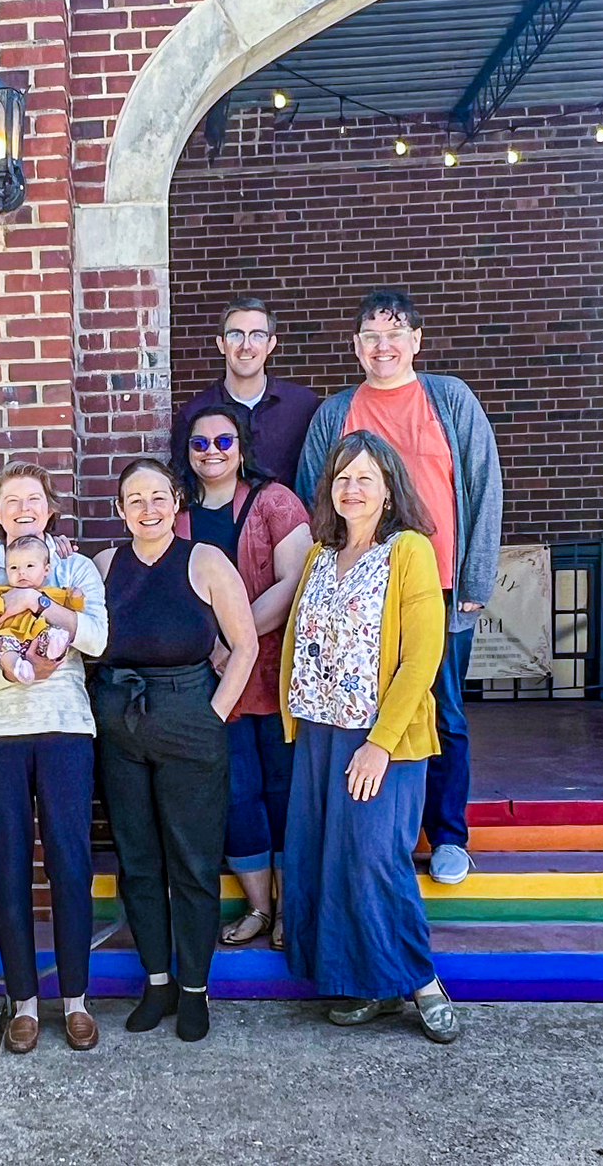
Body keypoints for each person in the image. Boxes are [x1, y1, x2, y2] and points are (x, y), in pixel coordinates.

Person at [295, 289, 503, 886]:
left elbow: (485, 486)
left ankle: (448, 836)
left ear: (415, 341)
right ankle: (379, 831)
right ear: (356, 347)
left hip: (437, 585)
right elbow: (314, 497)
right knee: (361, 713)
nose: (382, 346)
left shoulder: (449, 400)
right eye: (370, 336)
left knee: (443, 711)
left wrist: (477, 575)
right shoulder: (336, 414)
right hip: (356, 589)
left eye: (395, 334)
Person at [281, 429, 459, 1044]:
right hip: (318, 731)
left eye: (365, 478)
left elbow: (421, 657)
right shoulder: (318, 555)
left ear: (388, 490)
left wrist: (380, 743)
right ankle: (369, 985)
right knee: (327, 860)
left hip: (380, 737)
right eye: (342, 478)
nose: (351, 488)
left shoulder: (409, 550)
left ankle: (422, 980)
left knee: (375, 858)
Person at [91, 459, 258, 1043]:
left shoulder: (205, 561)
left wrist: (212, 715)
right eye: (134, 500)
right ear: (119, 510)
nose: (147, 509)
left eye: (158, 496)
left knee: (191, 860)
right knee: (138, 860)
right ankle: (156, 980)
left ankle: (193, 988)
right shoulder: (105, 566)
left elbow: (244, 646)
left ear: (176, 501)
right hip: (121, 723)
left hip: (190, 715)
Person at [0, 461, 108, 1055]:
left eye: (33, 499)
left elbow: (96, 639)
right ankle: (23, 1004)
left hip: (65, 731)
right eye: (10, 500)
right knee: (9, 865)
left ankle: (76, 1001)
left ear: (49, 509)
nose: (22, 509)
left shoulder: (75, 568)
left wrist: (41, 603)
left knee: (70, 864)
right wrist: (14, 673)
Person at [173, 404, 311, 953]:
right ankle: (258, 906)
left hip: (273, 672)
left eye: (224, 442)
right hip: (209, 679)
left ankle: (289, 910)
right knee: (235, 794)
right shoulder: (176, 512)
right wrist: (215, 649)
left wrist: (235, 641)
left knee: (283, 792)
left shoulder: (275, 501)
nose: (212, 453)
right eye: (200, 444)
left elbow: (293, 580)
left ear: (242, 445)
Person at [170, 296, 321, 486]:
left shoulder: (304, 406)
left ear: (271, 344)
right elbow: (182, 486)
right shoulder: (192, 413)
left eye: (257, 335)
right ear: (221, 344)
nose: (246, 345)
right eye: (236, 335)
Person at [0, 534, 82, 684]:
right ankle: (18, 668)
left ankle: (54, 648)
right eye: (13, 567)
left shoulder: (53, 593)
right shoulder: (0, 592)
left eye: (29, 566)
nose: (21, 572)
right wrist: (0, 604)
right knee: (2, 647)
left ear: (46, 570)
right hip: (10, 635)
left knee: (52, 634)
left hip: (38, 635)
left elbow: (72, 610)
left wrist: (76, 597)